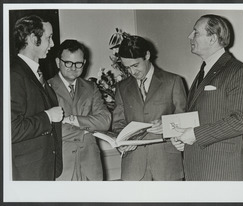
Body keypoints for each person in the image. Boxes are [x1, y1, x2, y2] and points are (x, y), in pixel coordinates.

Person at [172, 14, 243, 180]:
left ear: (212, 39)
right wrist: (184, 137)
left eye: (196, 33)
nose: (190, 36)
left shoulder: (237, 71)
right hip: (197, 168)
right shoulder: (204, 71)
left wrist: (195, 135)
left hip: (220, 170)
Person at [112, 35, 187, 181]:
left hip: (166, 166)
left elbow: (185, 120)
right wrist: (121, 143)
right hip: (133, 166)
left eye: (135, 65)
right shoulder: (121, 87)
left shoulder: (173, 81)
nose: (132, 72)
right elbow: (118, 124)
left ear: (147, 55)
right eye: (127, 68)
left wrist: (166, 126)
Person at [48, 39, 111, 181]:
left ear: (84, 63)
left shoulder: (91, 87)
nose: (73, 67)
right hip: (61, 167)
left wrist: (73, 120)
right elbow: (50, 129)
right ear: (58, 62)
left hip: (91, 166)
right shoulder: (46, 88)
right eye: (68, 63)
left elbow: (105, 121)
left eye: (78, 63)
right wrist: (87, 129)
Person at [11, 15, 64, 180]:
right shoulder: (14, 74)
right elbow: (10, 129)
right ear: (34, 39)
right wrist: (48, 116)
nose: (53, 44)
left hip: (43, 168)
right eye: (49, 38)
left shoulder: (34, 72)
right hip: (28, 173)